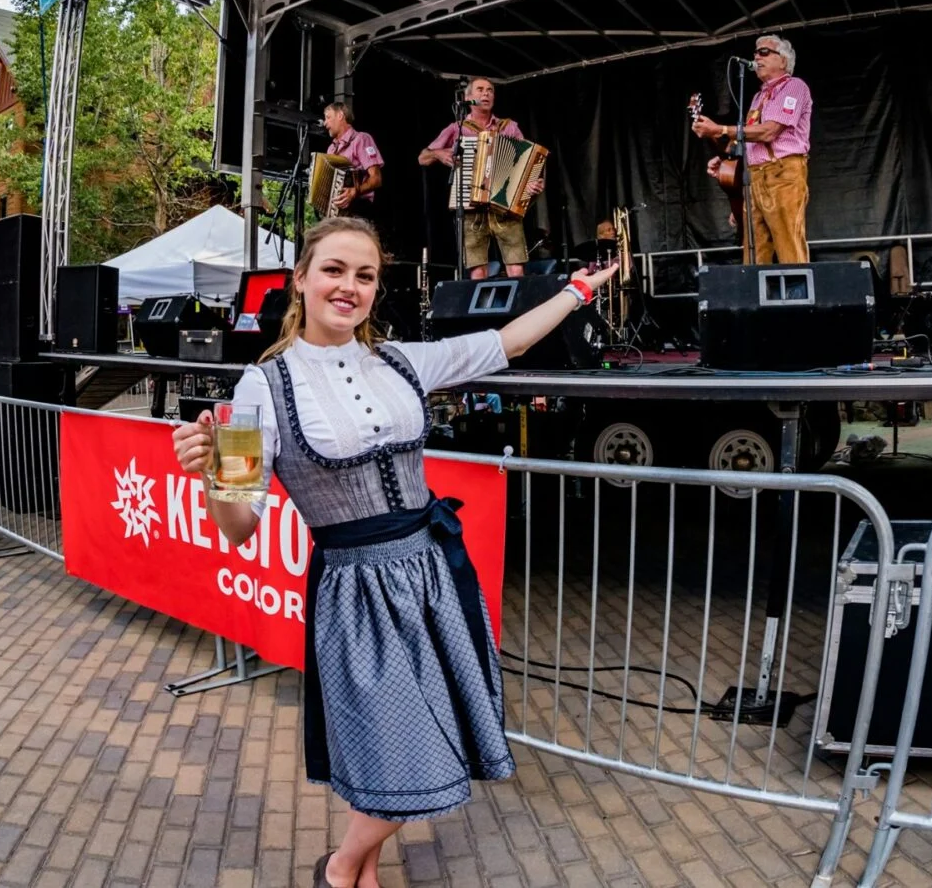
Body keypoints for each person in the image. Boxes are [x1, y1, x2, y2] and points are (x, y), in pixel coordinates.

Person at [170, 217, 618, 888]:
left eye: (365, 275)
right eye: (334, 270)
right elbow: (239, 527)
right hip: (357, 591)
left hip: (432, 573)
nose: (348, 287)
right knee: (405, 741)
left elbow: (506, 341)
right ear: (300, 278)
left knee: (420, 734)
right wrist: (209, 474)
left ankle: (358, 869)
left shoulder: (402, 359)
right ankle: (344, 866)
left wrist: (577, 291)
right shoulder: (262, 387)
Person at [692, 34, 812, 265]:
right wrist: (725, 159)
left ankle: (800, 300)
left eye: (764, 52)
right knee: (754, 250)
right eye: (755, 52)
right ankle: (756, 299)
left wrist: (720, 129)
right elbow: (746, 139)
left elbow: (769, 132)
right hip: (754, 177)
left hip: (783, 173)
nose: (756, 56)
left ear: (783, 61)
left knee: (789, 244)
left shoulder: (794, 86)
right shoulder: (758, 97)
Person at [419, 77, 545, 279]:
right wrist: (439, 154)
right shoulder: (457, 128)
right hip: (471, 207)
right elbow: (422, 157)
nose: (486, 93)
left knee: (516, 268)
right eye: (480, 89)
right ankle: (481, 310)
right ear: (468, 97)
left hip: (505, 207)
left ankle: (518, 310)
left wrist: (533, 183)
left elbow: (528, 160)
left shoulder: (509, 127)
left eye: (490, 90)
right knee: (477, 270)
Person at [322, 102, 384, 227]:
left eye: (328, 117)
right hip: (337, 214)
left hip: (359, 211)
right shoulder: (331, 149)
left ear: (340, 115)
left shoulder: (361, 139)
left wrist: (355, 191)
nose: (325, 123)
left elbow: (377, 179)